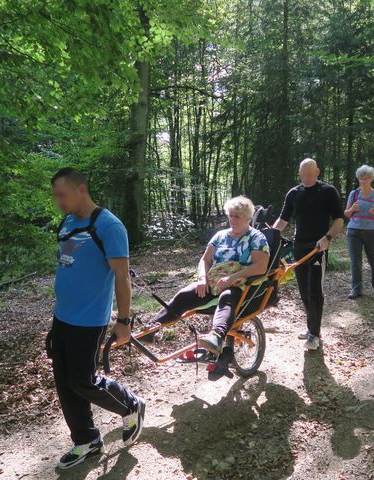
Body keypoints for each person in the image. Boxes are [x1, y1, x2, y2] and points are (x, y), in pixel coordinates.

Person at [49, 168, 145, 470]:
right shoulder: (67, 224)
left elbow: (121, 277)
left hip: (89, 320)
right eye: (55, 196)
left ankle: (130, 405)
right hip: (62, 317)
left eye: (61, 195)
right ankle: (86, 439)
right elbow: (69, 265)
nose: (58, 201)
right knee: (65, 383)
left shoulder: (108, 225)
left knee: (82, 380)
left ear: (81, 189)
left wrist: (124, 321)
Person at [149, 196, 270, 354]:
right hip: (213, 282)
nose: (233, 220)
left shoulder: (256, 238)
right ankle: (150, 329)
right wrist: (202, 279)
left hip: (240, 284)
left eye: (237, 216)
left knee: (227, 297)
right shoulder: (220, 235)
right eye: (230, 215)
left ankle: (216, 336)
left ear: (247, 217)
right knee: (183, 296)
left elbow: (260, 267)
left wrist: (231, 278)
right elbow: (205, 260)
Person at [272, 158, 345, 350]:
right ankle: (311, 327)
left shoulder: (328, 192)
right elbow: (283, 220)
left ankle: (314, 334)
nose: (306, 178)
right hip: (299, 247)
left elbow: (339, 220)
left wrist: (327, 237)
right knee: (304, 290)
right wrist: (269, 237)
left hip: (318, 248)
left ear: (318, 172)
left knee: (315, 291)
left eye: (310, 174)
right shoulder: (294, 194)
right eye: (303, 175)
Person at [344, 165, 374, 299]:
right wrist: (352, 210)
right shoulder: (354, 194)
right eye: (361, 178)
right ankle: (356, 289)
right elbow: (346, 213)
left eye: (366, 178)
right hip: (353, 230)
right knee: (355, 261)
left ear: (371, 178)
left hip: (372, 231)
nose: (363, 181)